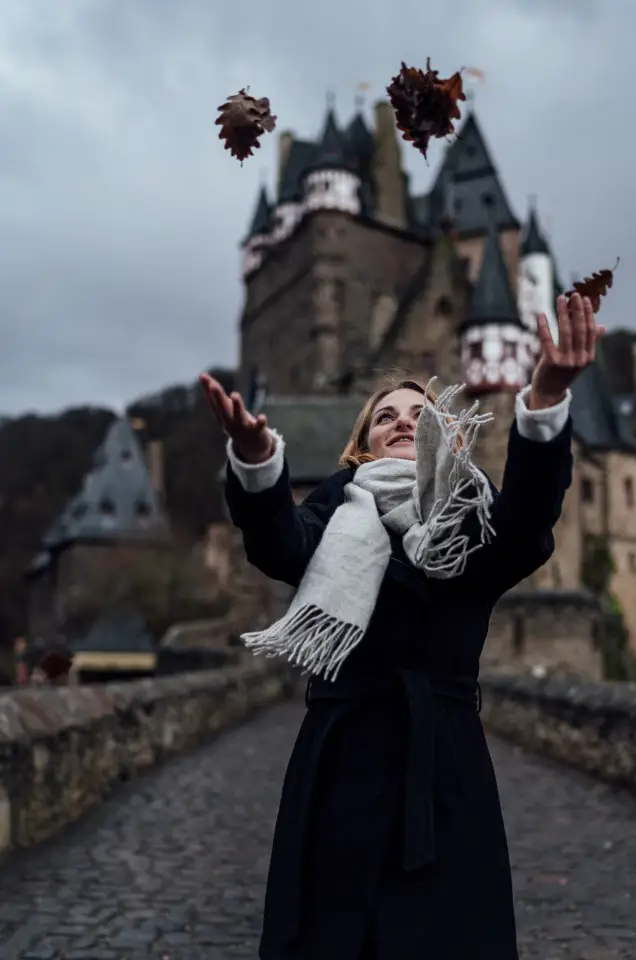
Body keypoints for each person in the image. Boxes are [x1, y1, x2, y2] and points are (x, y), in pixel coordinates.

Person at [200, 293, 605, 960]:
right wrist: (255, 461)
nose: (399, 422)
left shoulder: (469, 518)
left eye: (419, 415)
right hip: (339, 763)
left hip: (441, 768)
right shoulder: (333, 511)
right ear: (359, 447)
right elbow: (276, 545)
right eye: (383, 417)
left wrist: (547, 395)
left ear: (445, 436)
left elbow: (530, 525)